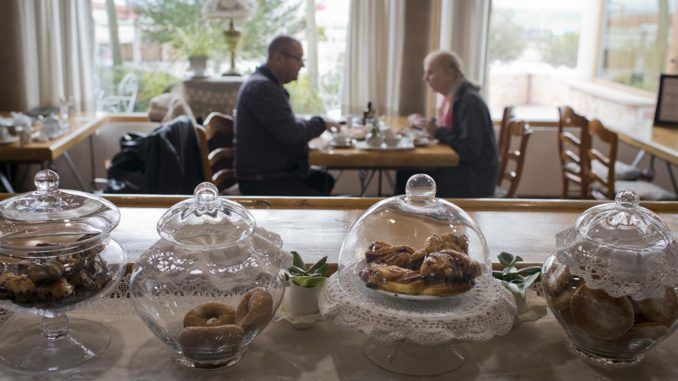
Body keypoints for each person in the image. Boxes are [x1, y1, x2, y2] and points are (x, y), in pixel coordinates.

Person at [235, 35, 336, 196]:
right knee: (328, 201)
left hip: (270, 173)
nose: (302, 65)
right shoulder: (263, 89)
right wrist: (321, 123)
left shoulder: (264, 84)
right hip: (263, 181)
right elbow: (291, 134)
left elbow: (285, 125)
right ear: (279, 58)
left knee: (325, 180)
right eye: (299, 58)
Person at [396, 51, 498, 198]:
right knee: (406, 173)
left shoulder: (470, 102)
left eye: (430, 73)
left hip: (474, 179)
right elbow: (450, 130)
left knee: (407, 178)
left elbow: (470, 151)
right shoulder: (455, 97)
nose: (425, 78)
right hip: (464, 171)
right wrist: (422, 124)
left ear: (449, 74)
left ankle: (412, 219)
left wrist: (438, 132)